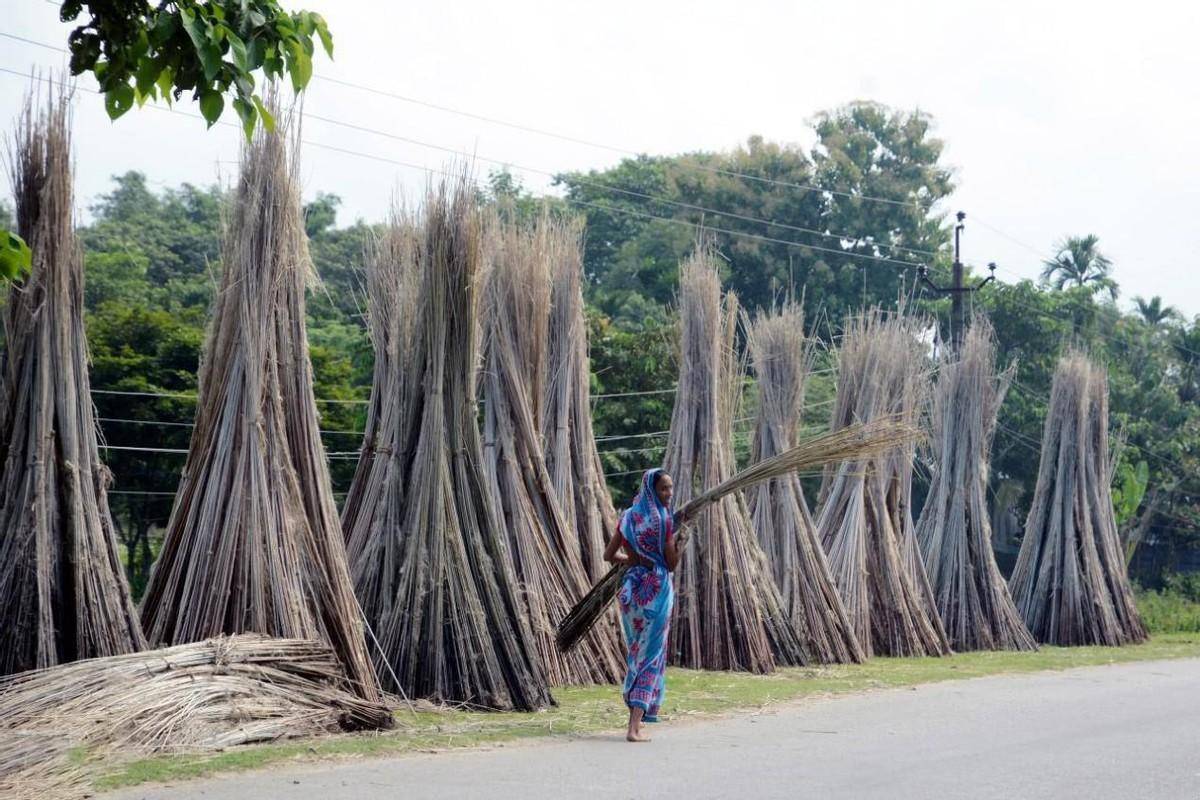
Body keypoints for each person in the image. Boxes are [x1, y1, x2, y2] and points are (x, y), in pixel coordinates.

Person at [603, 468, 690, 743]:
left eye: (671, 488)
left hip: (631, 594)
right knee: (651, 656)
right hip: (656, 591)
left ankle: (635, 722)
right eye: (664, 488)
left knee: (636, 653)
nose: (669, 493)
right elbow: (672, 563)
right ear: (653, 490)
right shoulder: (662, 520)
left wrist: (633, 561)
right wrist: (680, 543)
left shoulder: (628, 517)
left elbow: (609, 555)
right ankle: (633, 728)